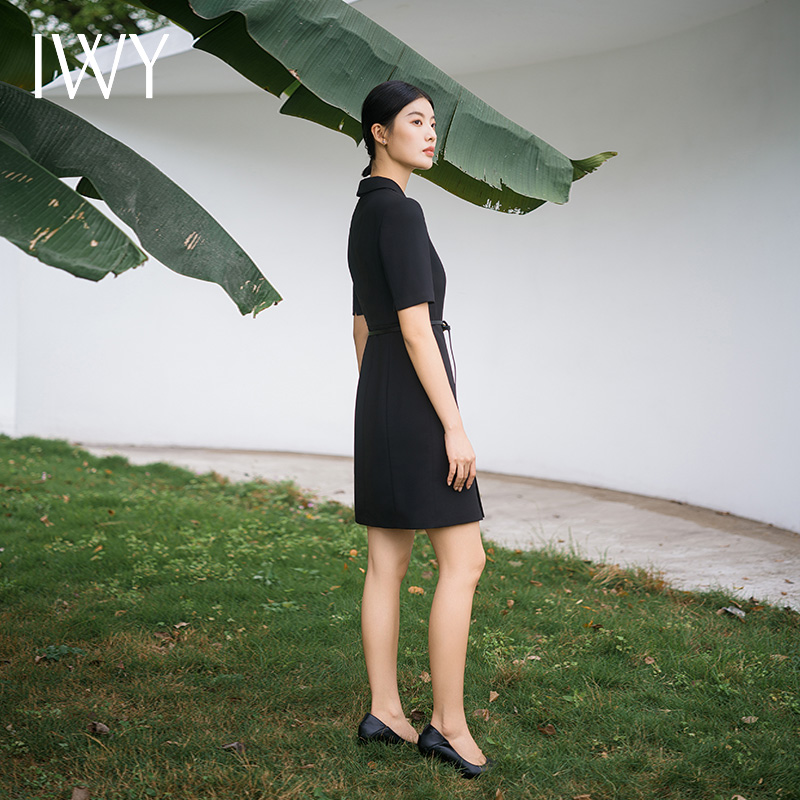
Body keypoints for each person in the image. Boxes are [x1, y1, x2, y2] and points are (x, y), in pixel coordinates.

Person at [347, 80, 492, 779]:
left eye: (434, 122)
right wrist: (452, 426)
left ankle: (385, 710)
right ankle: (448, 725)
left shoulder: (364, 210)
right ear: (380, 132)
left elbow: (360, 323)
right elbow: (414, 327)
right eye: (415, 120)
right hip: (413, 398)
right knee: (465, 562)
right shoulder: (401, 212)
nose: (431, 132)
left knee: (387, 563)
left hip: (378, 395)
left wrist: (377, 407)